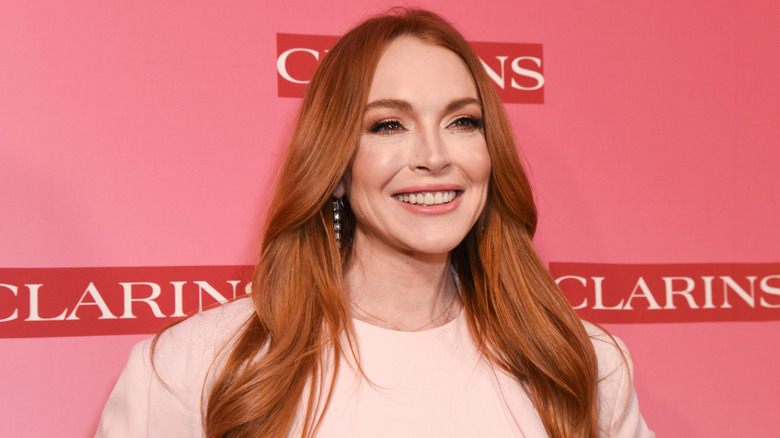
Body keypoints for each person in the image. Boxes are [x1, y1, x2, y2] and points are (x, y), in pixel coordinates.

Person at [96, 8, 653, 438]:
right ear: (335, 168)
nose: (435, 156)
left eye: (462, 121)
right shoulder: (198, 366)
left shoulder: (583, 364)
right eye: (388, 125)